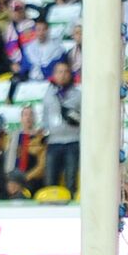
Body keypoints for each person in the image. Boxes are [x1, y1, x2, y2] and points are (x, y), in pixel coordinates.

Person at [43, 61, 81, 192]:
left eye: (66, 72)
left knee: (70, 178)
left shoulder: (78, 95)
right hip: (53, 142)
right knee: (50, 179)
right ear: (54, 75)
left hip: (73, 141)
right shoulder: (49, 94)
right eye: (60, 72)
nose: (63, 75)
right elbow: (45, 116)